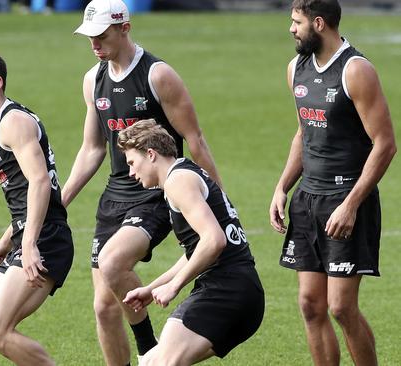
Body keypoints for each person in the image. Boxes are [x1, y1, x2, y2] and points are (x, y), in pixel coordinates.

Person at [65, 0, 222, 364]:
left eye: (101, 36)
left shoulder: (158, 75)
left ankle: (149, 349)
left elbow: (195, 139)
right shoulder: (93, 80)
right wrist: (60, 201)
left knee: (113, 261)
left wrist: (218, 198)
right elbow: (92, 149)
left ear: (124, 28)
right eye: (89, 37)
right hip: (114, 196)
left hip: (154, 194)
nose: (94, 45)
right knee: (104, 307)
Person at [269, 1, 396, 365]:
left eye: (296, 22)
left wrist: (351, 204)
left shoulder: (356, 70)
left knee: (341, 307)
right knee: (311, 305)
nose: (291, 29)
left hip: (345, 199)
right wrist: (282, 186)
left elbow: (385, 144)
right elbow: (303, 132)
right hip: (308, 198)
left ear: (319, 23)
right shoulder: (296, 68)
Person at [0, 50, 74, 365]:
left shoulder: (14, 122)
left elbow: (39, 183)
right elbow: (26, 197)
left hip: (46, 240)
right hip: (30, 237)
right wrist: (6, 240)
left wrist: (30, 243)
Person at [119, 119, 264, 365]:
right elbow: (197, 249)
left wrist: (174, 286)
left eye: (133, 162)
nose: (131, 172)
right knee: (152, 362)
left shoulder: (178, 181)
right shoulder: (185, 172)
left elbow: (214, 241)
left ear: (151, 154)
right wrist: (152, 287)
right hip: (241, 291)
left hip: (226, 290)